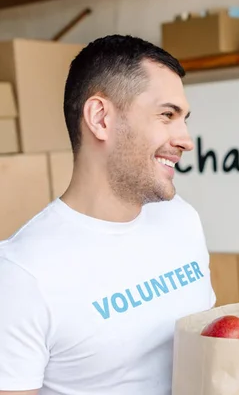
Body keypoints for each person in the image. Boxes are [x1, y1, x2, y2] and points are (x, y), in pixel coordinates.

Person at [0, 35, 216, 394]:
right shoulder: (20, 275)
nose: (186, 139)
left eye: (184, 119)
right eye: (167, 115)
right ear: (100, 118)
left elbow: (213, 351)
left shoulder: (181, 218)